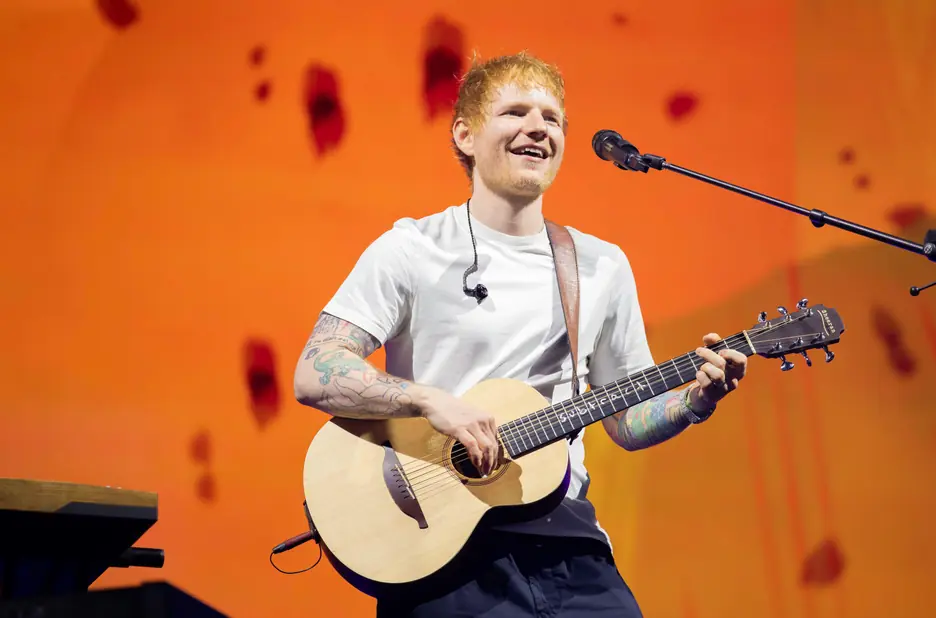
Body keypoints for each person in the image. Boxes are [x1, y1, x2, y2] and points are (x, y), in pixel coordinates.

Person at [293, 51, 748, 617]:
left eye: (552, 118)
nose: (538, 128)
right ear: (465, 134)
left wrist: (695, 400)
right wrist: (432, 401)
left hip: (568, 545)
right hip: (439, 547)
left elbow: (627, 421)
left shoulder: (599, 266)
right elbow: (316, 371)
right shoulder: (411, 249)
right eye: (515, 112)